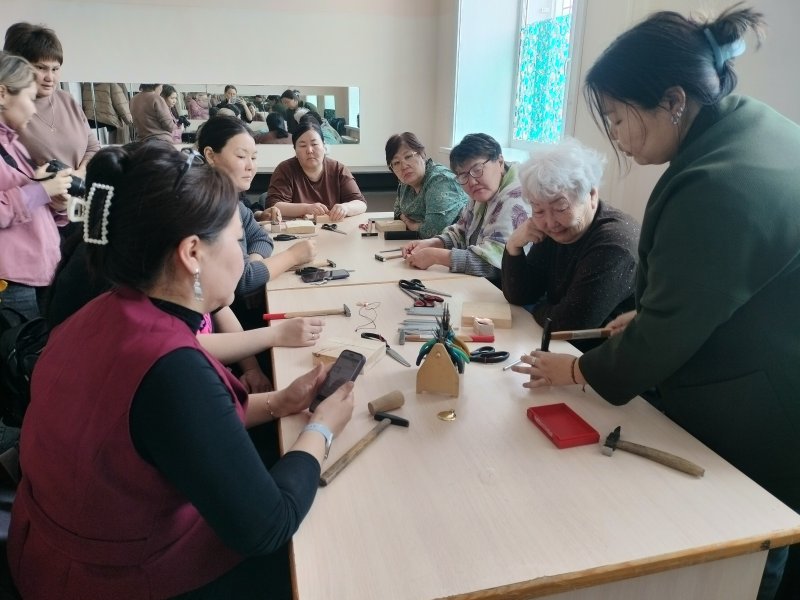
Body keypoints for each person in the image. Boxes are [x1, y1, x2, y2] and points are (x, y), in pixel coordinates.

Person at [516, 7, 800, 599]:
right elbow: (721, 279)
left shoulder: (716, 182)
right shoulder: (756, 126)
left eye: (619, 118)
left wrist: (578, 371)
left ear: (673, 100)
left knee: (743, 551)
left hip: (763, 402)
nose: (616, 137)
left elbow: (667, 332)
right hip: (766, 357)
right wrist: (651, 315)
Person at [7, 141, 355, 599]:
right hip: (117, 580)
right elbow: (267, 526)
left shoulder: (103, 312)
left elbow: (172, 428)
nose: (243, 256)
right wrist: (322, 428)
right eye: (236, 241)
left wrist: (279, 402)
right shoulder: (169, 366)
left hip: (46, 555)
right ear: (192, 252)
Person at [501, 137, 639, 350]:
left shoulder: (614, 244)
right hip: (565, 349)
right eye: (538, 210)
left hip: (604, 359)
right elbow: (521, 294)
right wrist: (513, 246)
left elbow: (568, 325)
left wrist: (538, 307)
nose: (549, 222)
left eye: (561, 208)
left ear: (592, 195)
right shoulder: (557, 230)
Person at [198, 116, 316, 327]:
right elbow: (242, 281)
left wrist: (253, 266)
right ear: (210, 155)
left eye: (253, 157)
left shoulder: (232, 200)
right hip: (229, 323)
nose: (251, 166)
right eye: (241, 156)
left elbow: (260, 237)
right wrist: (293, 255)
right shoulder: (208, 207)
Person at [401, 133, 530, 287]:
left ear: (500, 162)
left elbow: (495, 265)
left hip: (506, 292)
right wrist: (431, 243)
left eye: (477, 169)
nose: (472, 181)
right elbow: (462, 231)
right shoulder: (484, 191)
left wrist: (436, 256)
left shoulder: (516, 199)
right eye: (463, 176)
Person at [0, 52, 72, 319]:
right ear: (2, 94)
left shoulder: (14, 145)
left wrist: (55, 202)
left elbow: (28, 201)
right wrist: (41, 190)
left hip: (42, 272)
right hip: (12, 280)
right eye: (30, 99)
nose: (33, 109)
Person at [3, 23, 100, 181]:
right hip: (37, 195)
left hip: (80, 192)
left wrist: (80, 173)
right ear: (20, 67)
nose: (50, 78)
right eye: (41, 68)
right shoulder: (12, 112)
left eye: (55, 69)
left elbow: (93, 147)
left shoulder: (67, 100)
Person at [265, 119, 367, 221]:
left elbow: (361, 203)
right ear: (295, 150)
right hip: (296, 229)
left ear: (324, 146)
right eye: (303, 146)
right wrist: (306, 209)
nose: (309, 150)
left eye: (314, 144)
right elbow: (273, 206)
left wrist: (346, 208)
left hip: (332, 227)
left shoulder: (338, 169)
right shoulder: (285, 169)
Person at [386, 131, 468, 238]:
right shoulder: (406, 183)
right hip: (421, 243)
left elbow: (433, 231)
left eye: (408, 156)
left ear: (422, 154)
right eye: (396, 162)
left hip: (459, 243)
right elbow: (397, 211)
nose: (404, 166)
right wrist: (414, 224)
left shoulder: (440, 180)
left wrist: (410, 224)